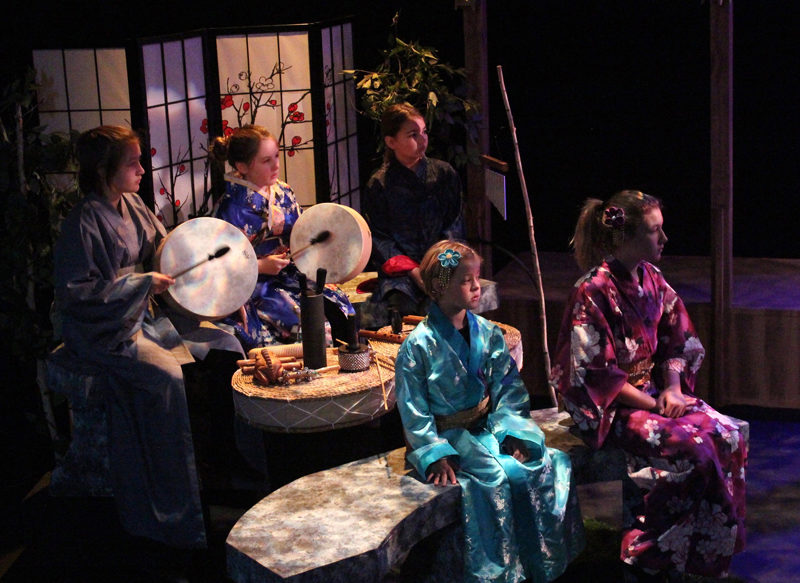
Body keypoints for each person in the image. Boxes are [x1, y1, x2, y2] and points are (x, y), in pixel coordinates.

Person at [52, 125, 243, 550]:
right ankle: (171, 511)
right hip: (106, 328)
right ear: (105, 170)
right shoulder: (83, 223)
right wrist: (139, 284)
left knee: (226, 342)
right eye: (133, 162)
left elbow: (167, 251)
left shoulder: (134, 204)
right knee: (165, 379)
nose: (142, 169)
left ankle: (228, 471)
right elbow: (75, 294)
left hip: (147, 312)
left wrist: (220, 289)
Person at [551, 190, 747, 580]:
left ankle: (702, 550)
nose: (664, 239)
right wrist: (653, 404)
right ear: (626, 238)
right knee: (694, 449)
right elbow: (595, 374)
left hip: (654, 395)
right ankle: (650, 550)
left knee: (727, 434)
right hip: (615, 406)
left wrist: (673, 388)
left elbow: (678, 337)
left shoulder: (652, 279)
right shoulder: (591, 291)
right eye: (655, 232)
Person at [395, 240, 584, 583]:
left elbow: (508, 388)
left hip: (490, 427)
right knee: (492, 479)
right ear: (440, 286)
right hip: (449, 436)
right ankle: (497, 574)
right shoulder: (416, 346)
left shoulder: (487, 333)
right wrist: (435, 452)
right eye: (467, 280)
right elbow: (413, 409)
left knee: (544, 462)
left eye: (477, 278)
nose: (476, 286)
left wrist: (513, 432)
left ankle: (538, 563)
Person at [209, 125, 354, 352]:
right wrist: (258, 266)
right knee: (308, 324)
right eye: (266, 160)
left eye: (276, 156)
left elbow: (301, 229)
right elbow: (218, 263)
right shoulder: (231, 208)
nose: (276, 165)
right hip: (253, 284)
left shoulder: (282, 191)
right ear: (242, 167)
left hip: (288, 272)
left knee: (338, 304)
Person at [361, 103, 464, 328]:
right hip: (401, 271)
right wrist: (414, 271)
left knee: (441, 304)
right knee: (401, 306)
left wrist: (438, 265)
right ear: (391, 142)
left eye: (424, 132)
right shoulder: (379, 183)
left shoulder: (444, 174)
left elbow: (453, 225)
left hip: (441, 263)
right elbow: (379, 238)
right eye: (413, 135)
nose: (422, 139)